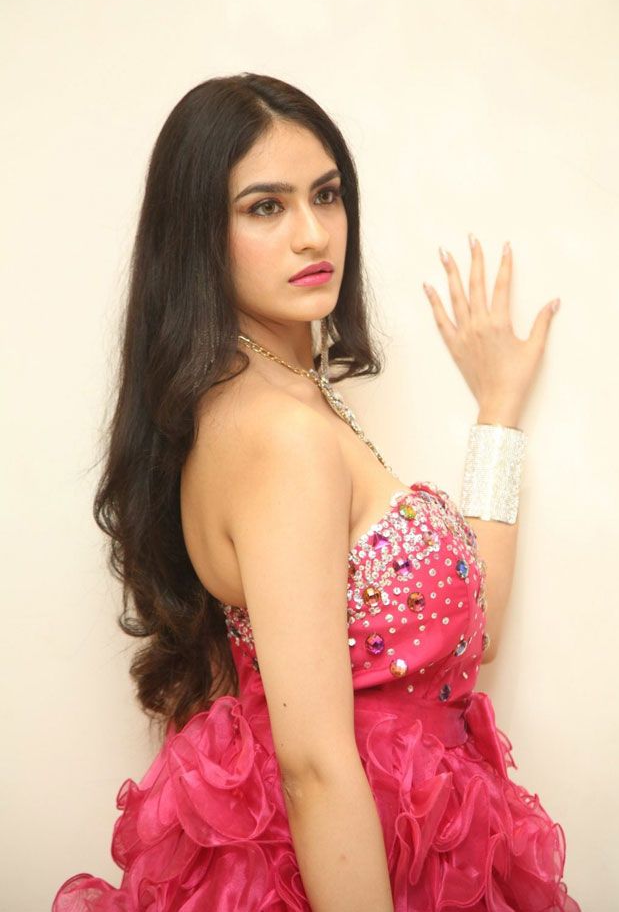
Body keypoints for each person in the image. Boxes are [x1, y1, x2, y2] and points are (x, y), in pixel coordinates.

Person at [52, 72, 582, 912]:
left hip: (411, 839)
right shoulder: (281, 435)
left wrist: (498, 416)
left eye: (326, 195)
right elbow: (314, 765)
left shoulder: (279, 400)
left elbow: (471, 633)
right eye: (266, 206)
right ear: (199, 234)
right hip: (351, 860)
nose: (313, 234)